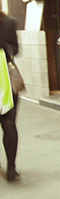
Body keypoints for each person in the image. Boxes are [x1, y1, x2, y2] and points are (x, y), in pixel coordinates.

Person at [0, 10, 19, 182]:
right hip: (5, 79)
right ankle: (11, 169)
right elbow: (16, 50)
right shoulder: (9, 22)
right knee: (9, 123)